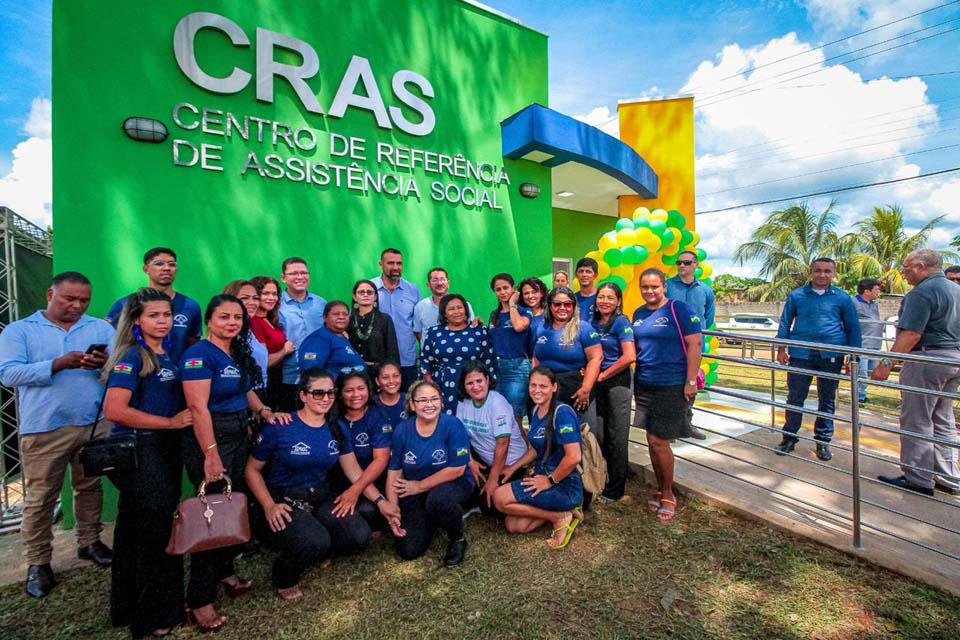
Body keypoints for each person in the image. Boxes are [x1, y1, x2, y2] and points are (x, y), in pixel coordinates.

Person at [0, 272, 115, 598]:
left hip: (93, 422)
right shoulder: (20, 331)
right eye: (70, 299)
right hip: (44, 427)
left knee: (89, 487)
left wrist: (102, 363)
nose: (77, 305)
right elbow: (8, 373)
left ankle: (89, 541)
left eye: (84, 300)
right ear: (50, 294)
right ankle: (38, 562)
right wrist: (57, 364)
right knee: (40, 498)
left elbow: (116, 370)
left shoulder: (99, 329)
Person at [180, 294, 291, 632]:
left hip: (239, 435)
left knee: (233, 506)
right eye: (224, 317)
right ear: (209, 320)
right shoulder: (198, 355)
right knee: (212, 515)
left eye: (237, 318)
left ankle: (225, 571)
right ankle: (199, 600)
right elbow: (198, 409)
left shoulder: (235, 351)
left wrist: (264, 411)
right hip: (212, 441)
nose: (231, 323)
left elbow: (246, 391)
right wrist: (211, 454)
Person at [245, 369, 395, 601]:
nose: (325, 398)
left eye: (330, 393)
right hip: (283, 499)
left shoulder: (337, 427)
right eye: (318, 393)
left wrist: (380, 501)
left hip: (320, 497)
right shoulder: (280, 426)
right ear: (303, 395)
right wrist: (268, 506)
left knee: (359, 536)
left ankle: (311, 541)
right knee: (315, 542)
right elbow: (252, 470)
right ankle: (284, 574)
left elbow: (354, 470)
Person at [102, 288, 193, 637]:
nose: (163, 321)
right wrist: (170, 423)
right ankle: (153, 616)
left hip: (162, 451)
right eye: (154, 315)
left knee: (132, 533)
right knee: (154, 536)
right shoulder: (132, 357)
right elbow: (115, 410)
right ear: (137, 319)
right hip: (142, 453)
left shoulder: (164, 354)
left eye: (167, 315)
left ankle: (127, 607)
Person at [873, 249, 960, 496]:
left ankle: (918, 477)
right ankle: (947, 477)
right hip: (954, 359)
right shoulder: (956, 290)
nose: (904, 272)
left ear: (921, 266)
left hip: (928, 359)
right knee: (943, 419)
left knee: (917, 419)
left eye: (907, 267)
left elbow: (911, 334)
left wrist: (886, 364)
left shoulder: (922, 292)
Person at [631, 269, 703, 522]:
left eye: (654, 287)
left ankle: (668, 494)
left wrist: (691, 380)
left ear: (664, 287)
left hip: (671, 385)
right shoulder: (639, 314)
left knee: (660, 442)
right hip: (644, 385)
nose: (649, 291)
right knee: (651, 440)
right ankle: (660, 488)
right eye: (645, 287)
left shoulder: (679, 310)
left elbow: (696, 344)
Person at [775, 258, 861, 461]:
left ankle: (823, 441)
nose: (822, 275)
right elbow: (786, 322)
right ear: (811, 272)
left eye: (827, 271)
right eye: (818, 271)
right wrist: (781, 348)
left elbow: (853, 327)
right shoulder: (797, 295)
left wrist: (853, 356)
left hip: (831, 355)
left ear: (834, 273)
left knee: (827, 399)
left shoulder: (842, 298)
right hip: (801, 354)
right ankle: (789, 438)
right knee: (795, 398)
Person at [493, 367, 584, 548]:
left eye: (543, 386)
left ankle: (559, 517)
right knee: (514, 525)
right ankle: (564, 513)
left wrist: (549, 481)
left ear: (554, 387)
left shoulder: (562, 413)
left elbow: (574, 457)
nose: (537, 390)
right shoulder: (536, 410)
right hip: (542, 478)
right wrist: (513, 467)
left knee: (499, 498)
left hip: (564, 484)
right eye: (533, 385)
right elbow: (536, 449)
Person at [386, 380, 474, 566]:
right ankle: (432, 518)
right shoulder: (402, 430)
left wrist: (419, 486)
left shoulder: (452, 425)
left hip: (453, 484)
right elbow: (394, 472)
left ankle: (457, 538)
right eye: (423, 400)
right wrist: (393, 510)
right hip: (415, 492)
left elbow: (457, 469)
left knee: (439, 500)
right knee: (408, 550)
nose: (429, 404)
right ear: (412, 404)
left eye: (434, 399)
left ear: (441, 402)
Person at [455, 361, 529, 513]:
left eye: (479, 381)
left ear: (488, 380)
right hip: (484, 460)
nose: (475, 387)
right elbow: (458, 435)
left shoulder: (497, 403)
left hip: (511, 463)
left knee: (492, 506)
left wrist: (493, 480)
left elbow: (503, 443)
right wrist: (469, 461)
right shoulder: (463, 402)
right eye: (469, 383)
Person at [105, 247, 201, 363]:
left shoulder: (191, 306)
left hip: (176, 374)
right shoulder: (126, 304)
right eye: (159, 263)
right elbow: (108, 338)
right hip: (138, 372)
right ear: (146, 269)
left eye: (172, 264)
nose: (166, 268)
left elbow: (193, 346)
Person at [531, 286, 602, 431]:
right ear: (550, 306)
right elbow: (536, 357)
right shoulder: (541, 327)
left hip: (576, 392)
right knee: (550, 434)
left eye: (567, 304)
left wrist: (586, 389)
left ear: (573, 306)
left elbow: (596, 358)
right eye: (557, 304)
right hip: (547, 390)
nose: (562, 308)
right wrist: (535, 384)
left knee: (583, 435)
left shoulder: (584, 328)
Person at [590, 283, 637, 502]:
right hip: (597, 382)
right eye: (601, 297)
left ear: (618, 301)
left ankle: (616, 488)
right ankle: (603, 477)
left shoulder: (621, 322)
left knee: (617, 437)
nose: (605, 301)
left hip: (617, 383)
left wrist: (602, 375)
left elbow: (629, 356)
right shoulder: (593, 323)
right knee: (599, 433)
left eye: (610, 298)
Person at [335, 371, 396, 528]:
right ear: (340, 394)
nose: (356, 394)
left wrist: (356, 490)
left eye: (361, 388)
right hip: (342, 479)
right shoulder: (333, 419)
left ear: (368, 390)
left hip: (372, 479)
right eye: (349, 390)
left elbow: (381, 459)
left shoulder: (377, 417)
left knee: (367, 510)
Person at [665, 250, 716, 440]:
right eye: (679, 263)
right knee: (671, 387)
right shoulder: (668, 286)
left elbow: (708, 317)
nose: (682, 266)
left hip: (694, 346)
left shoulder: (705, 290)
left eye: (686, 263)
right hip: (671, 346)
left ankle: (687, 425)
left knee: (692, 383)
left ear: (696, 265)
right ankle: (670, 428)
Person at [419, 294, 495, 415]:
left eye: (459, 307)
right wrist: (428, 381)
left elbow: (489, 361)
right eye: (451, 309)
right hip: (443, 384)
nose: (456, 312)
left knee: (471, 418)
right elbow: (426, 360)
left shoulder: (479, 330)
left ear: (466, 310)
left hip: (472, 385)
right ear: (444, 313)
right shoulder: (434, 332)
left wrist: (489, 386)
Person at [278, 257, 327, 412]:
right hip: (288, 377)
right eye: (294, 273)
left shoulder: (321, 304)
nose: (300, 277)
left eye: (304, 273)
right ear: (284, 278)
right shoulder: (276, 305)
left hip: (320, 376)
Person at [372, 248, 422, 391]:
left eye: (399, 263)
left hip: (406, 360)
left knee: (408, 403)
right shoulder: (370, 288)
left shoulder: (413, 290)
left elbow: (418, 325)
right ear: (381, 265)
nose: (395, 267)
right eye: (390, 263)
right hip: (378, 360)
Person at [488, 273, 532, 423]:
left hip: (517, 368)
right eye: (498, 289)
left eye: (506, 288)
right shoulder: (494, 315)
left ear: (513, 289)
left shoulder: (525, 312)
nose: (502, 292)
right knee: (500, 417)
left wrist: (513, 304)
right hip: (497, 369)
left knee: (514, 418)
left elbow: (519, 326)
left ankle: (525, 447)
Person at [250, 275, 296, 410]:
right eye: (266, 293)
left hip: (280, 380)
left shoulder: (271, 320)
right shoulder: (254, 322)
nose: (272, 298)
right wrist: (284, 351)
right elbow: (262, 362)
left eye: (275, 294)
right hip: (265, 383)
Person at [298, 301, 367, 380]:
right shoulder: (318, 339)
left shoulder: (341, 337)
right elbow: (311, 372)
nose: (341, 317)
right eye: (336, 314)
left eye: (345, 314)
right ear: (325, 317)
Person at [223, 280, 269, 392]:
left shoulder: (248, 331)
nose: (252, 302)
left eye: (255, 298)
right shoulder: (228, 333)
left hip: (260, 393)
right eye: (245, 298)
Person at [347, 279, 400, 373]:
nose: (365, 295)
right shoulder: (347, 320)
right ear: (354, 297)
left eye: (369, 292)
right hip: (353, 372)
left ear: (375, 296)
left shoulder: (384, 319)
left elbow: (392, 350)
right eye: (361, 292)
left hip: (378, 372)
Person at [413, 266, 477, 340]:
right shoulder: (420, 306)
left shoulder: (464, 305)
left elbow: (472, 327)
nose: (439, 283)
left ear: (448, 283)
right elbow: (418, 332)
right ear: (428, 285)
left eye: (443, 279)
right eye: (435, 280)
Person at [853, 279, 883, 405]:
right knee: (862, 373)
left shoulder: (874, 304)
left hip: (875, 344)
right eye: (876, 289)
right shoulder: (853, 303)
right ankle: (860, 397)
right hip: (862, 344)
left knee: (872, 372)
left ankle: (862, 394)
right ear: (866, 291)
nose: (879, 292)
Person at [374, 360, 407, 426]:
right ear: (377, 381)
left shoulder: (410, 401)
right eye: (385, 377)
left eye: (395, 376)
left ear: (401, 377)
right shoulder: (372, 404)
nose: (391, 381)